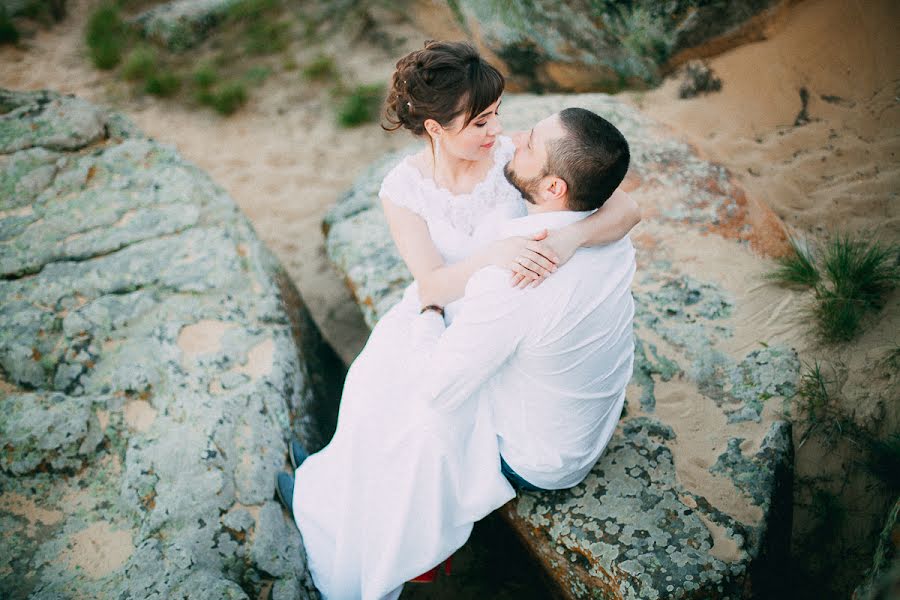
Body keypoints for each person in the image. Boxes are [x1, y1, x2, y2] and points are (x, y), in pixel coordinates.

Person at [275, 41, 640, 599]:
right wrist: (489, 259)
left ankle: (356, 518)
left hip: (498, 319)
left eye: (497, 115)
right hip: (453, 299)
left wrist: (569, 240)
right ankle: (330, 481)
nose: (499, 132)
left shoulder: (513, 164)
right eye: (481, 122)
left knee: (418, 421)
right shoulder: (405, 190)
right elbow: (432, 283)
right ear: (435, 128)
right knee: (374, 382)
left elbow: (624, 205)